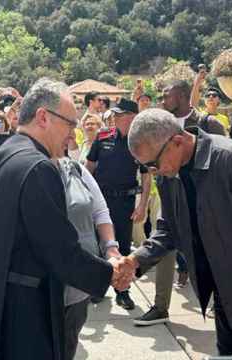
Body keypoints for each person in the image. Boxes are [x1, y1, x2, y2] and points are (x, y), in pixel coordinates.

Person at [0, 78, 133, 360]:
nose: (72, 135)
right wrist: (109, 273)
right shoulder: (38, 168)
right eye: (69, 124)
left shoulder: (4, 152)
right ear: (43, 117)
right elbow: (60, 251)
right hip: (21, 314)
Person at [125, 108, 232, 356]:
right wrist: (136, 259)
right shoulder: (169, 174)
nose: (153, 172)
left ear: (177, 141)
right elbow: (169, 229)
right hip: (224, 284)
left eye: (153, 164)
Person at [134, 80, 226, 326]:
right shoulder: (160, 126)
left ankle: (223, 302)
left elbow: (219, 163)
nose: (163, 101)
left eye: (167, 95)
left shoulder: (208, 124)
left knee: (213, 251)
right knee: (163, 242)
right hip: (170, 196)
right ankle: (160, 305)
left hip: (202, 202)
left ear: (184, 95)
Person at [85, 98, 151, 310]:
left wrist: (142, 206)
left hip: (125, 202)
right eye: (115, 114)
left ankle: (123, 291)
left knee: (122, 246)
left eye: (120, 114)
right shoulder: (102, 136)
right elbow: (89, 168)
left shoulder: (139, 142)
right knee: (97, 245)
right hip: (101, 200)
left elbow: (146, 176)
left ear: (131, 117)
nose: (115, 117)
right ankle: (97, 288)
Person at [56, 153, 122, 360]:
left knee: (68, 342)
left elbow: (100, 211)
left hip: (78, 282)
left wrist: (111, 249)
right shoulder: (24, 166)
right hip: (39, 283)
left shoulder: (75, 169)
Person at [190, 68, 230, 133]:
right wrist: (197, 82)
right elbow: (193, 104)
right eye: (207, 95)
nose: (211, 96)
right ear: (205, 100)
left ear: (219, 100)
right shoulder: (200, 114)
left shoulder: (224, 119)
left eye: (214, 95)